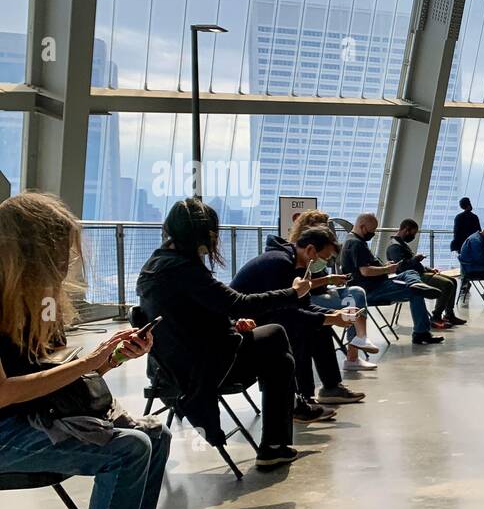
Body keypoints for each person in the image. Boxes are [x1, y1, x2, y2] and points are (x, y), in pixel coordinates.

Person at [0, 193, 175, 509]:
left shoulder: (36, 302)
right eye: (59, 250)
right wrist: (89, 363)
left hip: (36, 419)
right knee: (129, 449)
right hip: (7, 432)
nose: (66, 261)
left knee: (155, 432)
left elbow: (56, 381)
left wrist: (112, 358)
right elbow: (5, 392)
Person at [138, 199, 331, 471]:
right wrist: (292, 293)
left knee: (277, 355)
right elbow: (238, 302)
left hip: (169, 368)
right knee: (277, 338)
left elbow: (192, 315)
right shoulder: (185, 269)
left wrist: (228, 323)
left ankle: (280, 439)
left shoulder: (155, 265)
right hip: (201, 370)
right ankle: (276, 442)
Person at [232, 227, 367, 409]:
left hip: (262, 318)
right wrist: (329, 319)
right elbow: (283, 314)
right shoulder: (278, 264)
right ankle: (300, 399)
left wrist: (332, 315)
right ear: (310, 250)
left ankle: (329, 388)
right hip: (242, 326)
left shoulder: (295, 265)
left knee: (318, 326)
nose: (324, 265)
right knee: (300, 330)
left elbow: (303, 305)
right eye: (324, 259)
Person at [288, 210, 380, 370]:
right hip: (309, 299)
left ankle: (359, 339)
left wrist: (333, 280)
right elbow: (300, 287)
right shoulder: (301, 251)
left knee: (356, 292)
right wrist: (329, 279)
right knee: (354, 300)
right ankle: (354, 352)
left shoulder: (318, 247)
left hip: (322, 291)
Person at [341, 214, 443, 346]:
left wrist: (385, 267)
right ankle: (421, 333)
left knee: (410, 273)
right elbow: (365, 271)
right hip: (372, 289)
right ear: (362, 227)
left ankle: (415, 283)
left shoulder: (351, 240)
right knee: (415, 292)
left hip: (375, 284)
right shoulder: (356, 244)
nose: (373, 233)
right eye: (372, 230)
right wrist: (388, 270)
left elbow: (365, 268)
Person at [386, 218, 463, 329]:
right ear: (406, 230)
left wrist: (427, 269)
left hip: (418, 273)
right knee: (447, 284)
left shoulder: (401, 244)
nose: (413, 237)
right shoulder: (394, 247)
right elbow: (402, 267)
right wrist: (416, 259)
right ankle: (436, 317)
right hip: (411, 277)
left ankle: (449, 315)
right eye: (413, 233)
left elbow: (411, 263)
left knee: (453, 281)